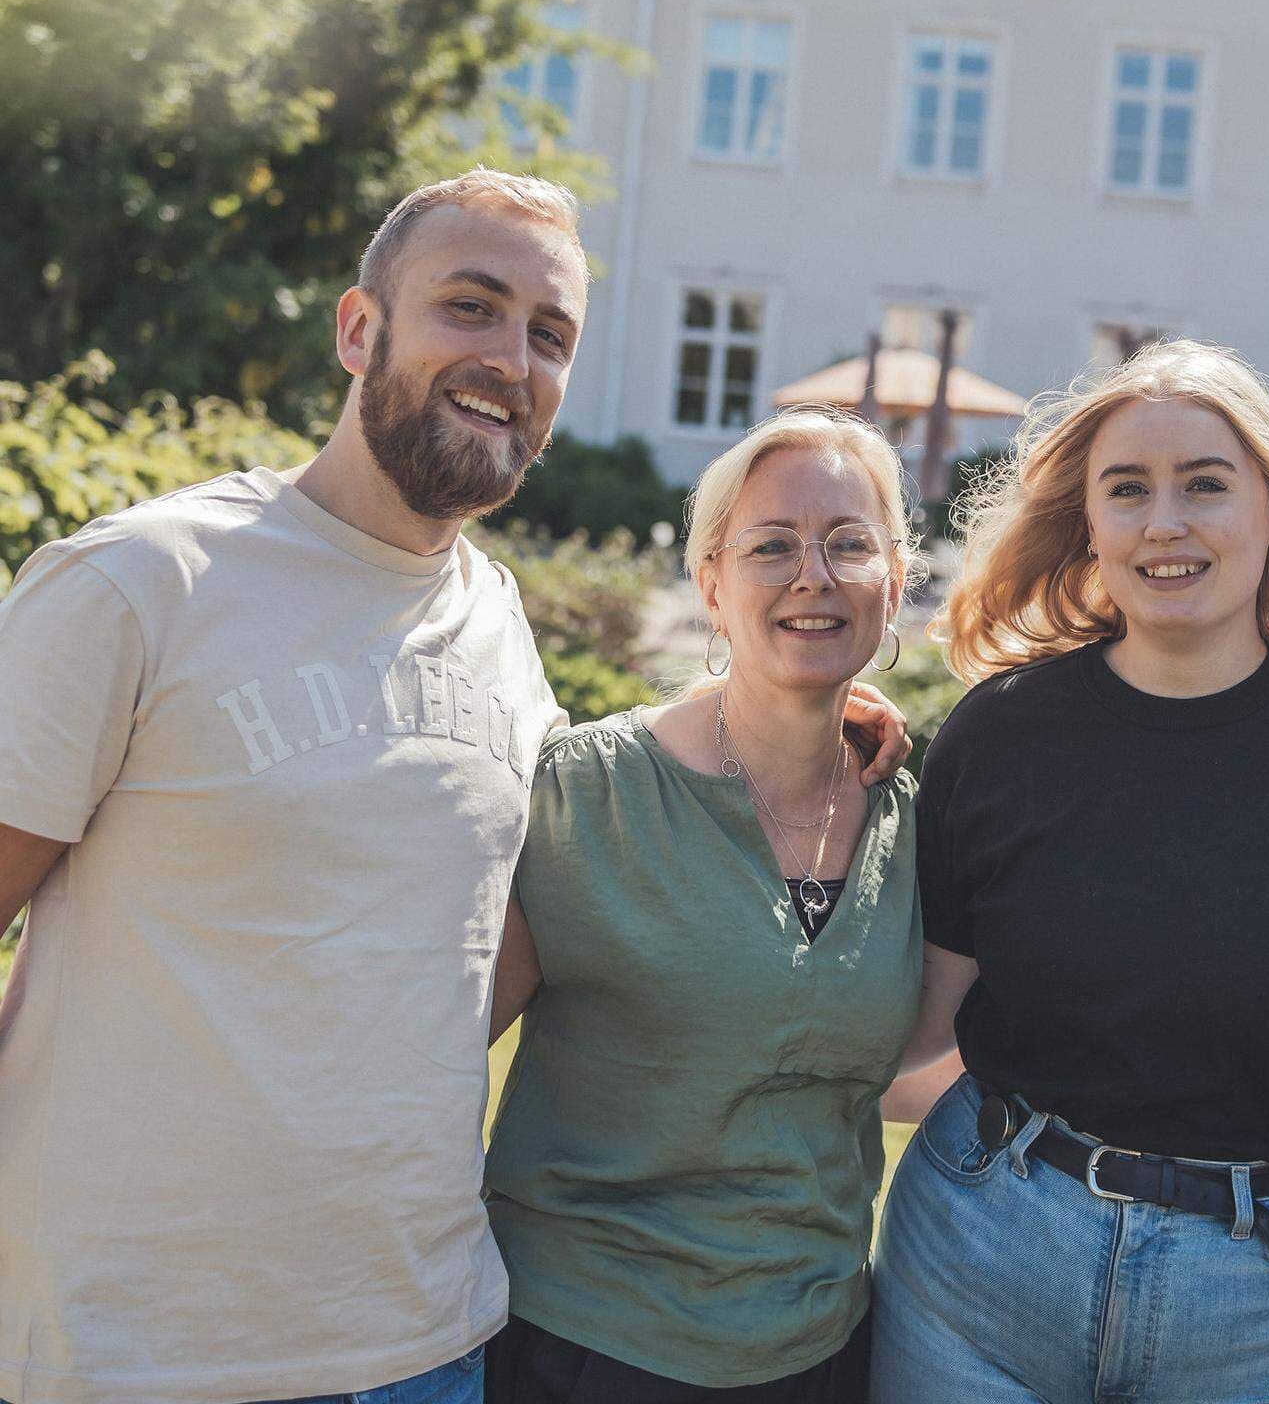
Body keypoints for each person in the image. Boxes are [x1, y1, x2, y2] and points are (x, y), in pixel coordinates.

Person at [0, 168, 909, 1404]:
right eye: (470, 307)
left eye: (550, 335)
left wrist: (806, 703)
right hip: (134, 1350)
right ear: (359, 328)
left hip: (428, 1340)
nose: (510, 359)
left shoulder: (496, 618)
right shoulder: (139, 584)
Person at [871, 338, 1269, 1404]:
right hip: (986, 1257)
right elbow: (911, 1023)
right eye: (1128, 490)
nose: (1166, 523)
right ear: (1090, 524)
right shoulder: (1003, 736)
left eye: (1205, 485)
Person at [484, 406, 924, 1404]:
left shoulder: (906, 814)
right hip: (591, 1347)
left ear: (894, 582)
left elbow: (906, 1068)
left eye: (849, 544)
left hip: (820, 1350)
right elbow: (433, 1049)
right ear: (711, 586)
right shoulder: (588, 795)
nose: (813, 573)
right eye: (771, 546)